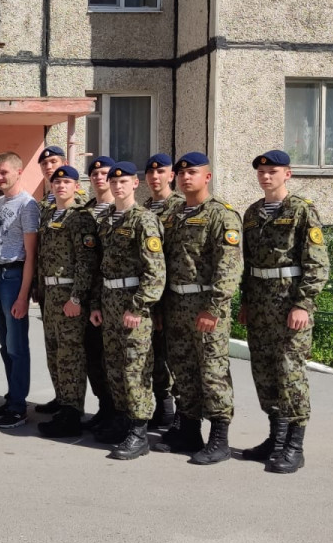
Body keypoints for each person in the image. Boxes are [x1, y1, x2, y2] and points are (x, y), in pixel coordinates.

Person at [239, 149, 329, 474]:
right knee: (264, 373)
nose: (266, 176)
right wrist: (246, 302)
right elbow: (249, 263)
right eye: (261, 172)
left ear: (287, 174)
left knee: (290, 373)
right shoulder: (252, 213)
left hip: (290, 305)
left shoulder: (302, 210)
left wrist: (303, 304)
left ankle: (294, 446)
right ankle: (276, 439)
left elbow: (317, 264)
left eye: (272, 172)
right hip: (260, 305)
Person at [156, 153, 243, 465]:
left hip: (205, 305)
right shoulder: (174, 214)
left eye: (192, 172)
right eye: (181, 173)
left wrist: (214, 308)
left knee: (212, 371)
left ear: (207, 177)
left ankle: (219, 438)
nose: (185, 177)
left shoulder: (222, 215)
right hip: (175, 304)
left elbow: (229, 267)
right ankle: (189, 431)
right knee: (183, 369)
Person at [89, 162, 165, 460]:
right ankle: (122, 420)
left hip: (133, 305)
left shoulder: (144, 219)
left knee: (135, 368)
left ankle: (139, 431)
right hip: (109, 303)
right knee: (114, 366)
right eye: (114, 182)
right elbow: (100, 267)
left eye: (124, 181)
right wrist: (96, 304)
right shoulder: (107, 220)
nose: (118, 186)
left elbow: (155, 272)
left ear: (135, 184)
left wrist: (139, 307)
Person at [35, 166, 101, 438]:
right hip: (50, 294)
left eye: (67, 182)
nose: (61, 186)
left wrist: (77, 298)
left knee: (71, 355)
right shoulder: (50, 214)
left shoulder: (80, 217)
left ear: (76, 186)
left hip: (69, 295)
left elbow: (87, 261)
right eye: (57, 182)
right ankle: (63, 404)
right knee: (54, 352)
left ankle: (73, 413)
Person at [0, 152, 39, 429]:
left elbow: (31, 255)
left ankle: (19, 407)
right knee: (5, 344)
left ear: (19, 172)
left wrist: (23, 296)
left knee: (17, 346)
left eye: (4, 172)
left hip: (14, 277)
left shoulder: (28, 205)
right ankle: (11, 398)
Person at [79, 155, 116, 432]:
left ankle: (120, 413)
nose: (99, 177)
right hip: (89, 293)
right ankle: (104, 407)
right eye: (94, 174)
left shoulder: (121, 210)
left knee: (114, 358)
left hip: (115, 295)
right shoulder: (86, 212)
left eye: (104, 173)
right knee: (92, 355)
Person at [143, 153, 180, 428]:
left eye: (161, 172)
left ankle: (182, 416)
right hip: (150, 292)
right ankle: (163, 408)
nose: (155, 177)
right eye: (151, 173)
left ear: (171, 175)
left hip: (174, 295)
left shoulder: (181, 208)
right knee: (154, 354)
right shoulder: (144, 208)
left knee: (175, 355)